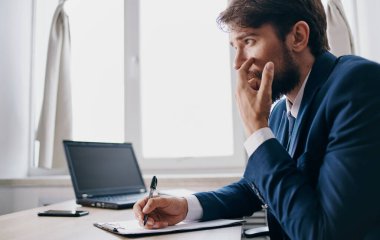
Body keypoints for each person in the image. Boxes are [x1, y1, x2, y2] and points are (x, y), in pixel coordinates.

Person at [133, 0, 380, 239]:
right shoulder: (282, 112)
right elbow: (254, 189)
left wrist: (256, 130)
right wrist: (185, 206)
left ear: (298, 37)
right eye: (234, 46)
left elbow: (322, 233)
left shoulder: (358, 86)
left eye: (249, 41)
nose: (238, 63)